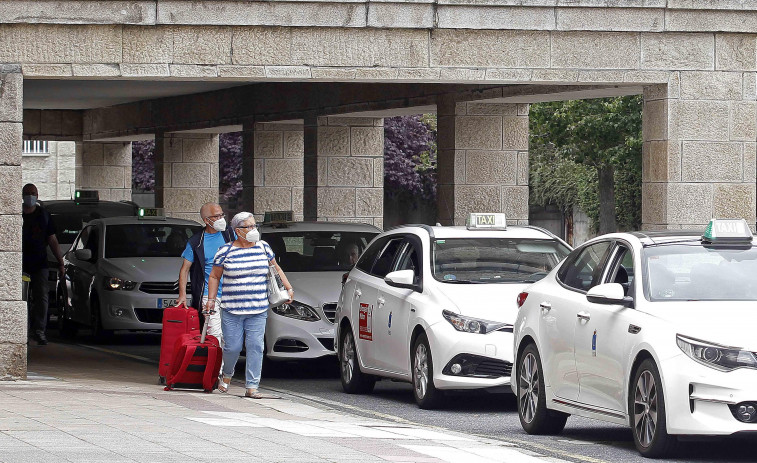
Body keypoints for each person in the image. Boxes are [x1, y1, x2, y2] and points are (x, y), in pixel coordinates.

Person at [206, 212, 294, 398]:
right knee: (233, 347)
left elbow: (275, 268)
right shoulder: (225, 251)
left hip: (258, 308)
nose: (254, 230)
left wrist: (288, 287)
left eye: (255, 226)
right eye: (249, 227)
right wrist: (211, 300)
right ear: (238, 231)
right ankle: (227, 375)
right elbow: (214, 276)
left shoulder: (263, 247)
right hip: (231, 309)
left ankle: (252, 386)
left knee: (256, 346)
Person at [176, 203, 235, 348]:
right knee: (215, 334)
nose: (221, 218)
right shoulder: (196, 242)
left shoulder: (230, 234)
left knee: (231, 336)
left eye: (222, 215)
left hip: (232, 294)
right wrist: (182, 295)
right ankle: (217, 370)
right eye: (216, 216)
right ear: (206, 220)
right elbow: (184, 270)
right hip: (209, 296)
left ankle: (226, 369)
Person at [22, 183, 64, 346]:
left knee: (42, 297)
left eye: (33, 193)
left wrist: (60, 262)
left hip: (40, 263)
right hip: (21, 265)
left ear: (37, 195)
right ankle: (23, 331)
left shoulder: (43, 215)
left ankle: (39, 331)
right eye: (27, 193)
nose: (30, 196)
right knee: (22, 299)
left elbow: (52, 240)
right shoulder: (17, 215)